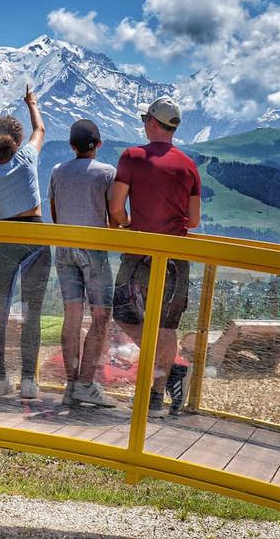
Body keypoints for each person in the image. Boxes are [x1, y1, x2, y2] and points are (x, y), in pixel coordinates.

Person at [108, 96, 201, 418]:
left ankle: (166, 372)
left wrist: (129, 224)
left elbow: (117, 208)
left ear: (151, 123)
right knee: (167, 326)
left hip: (138, 255)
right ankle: (157, 393)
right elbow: (195, 220)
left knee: (122, 313)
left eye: (144, 120)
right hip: (177, 257)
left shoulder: (132, 156)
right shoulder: (189, 165)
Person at [0, 85, 52, 399]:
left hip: (4, 239)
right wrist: (31, 102)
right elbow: (40, 128)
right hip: (35, 237)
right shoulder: (27, 159)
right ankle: (29, 382)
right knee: (33, 311)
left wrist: (3, 215)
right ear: (16, 142)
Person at [49, 119, 117, 407]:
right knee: (101, 316)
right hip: (94, 248)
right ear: (99, 144)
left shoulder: (57, 171)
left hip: (64, 249)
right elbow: (114, 217)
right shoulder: (107, 173)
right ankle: (86, 383)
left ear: (71, 146)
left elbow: (54, 213)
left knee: (72, 318)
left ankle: (70, 383)